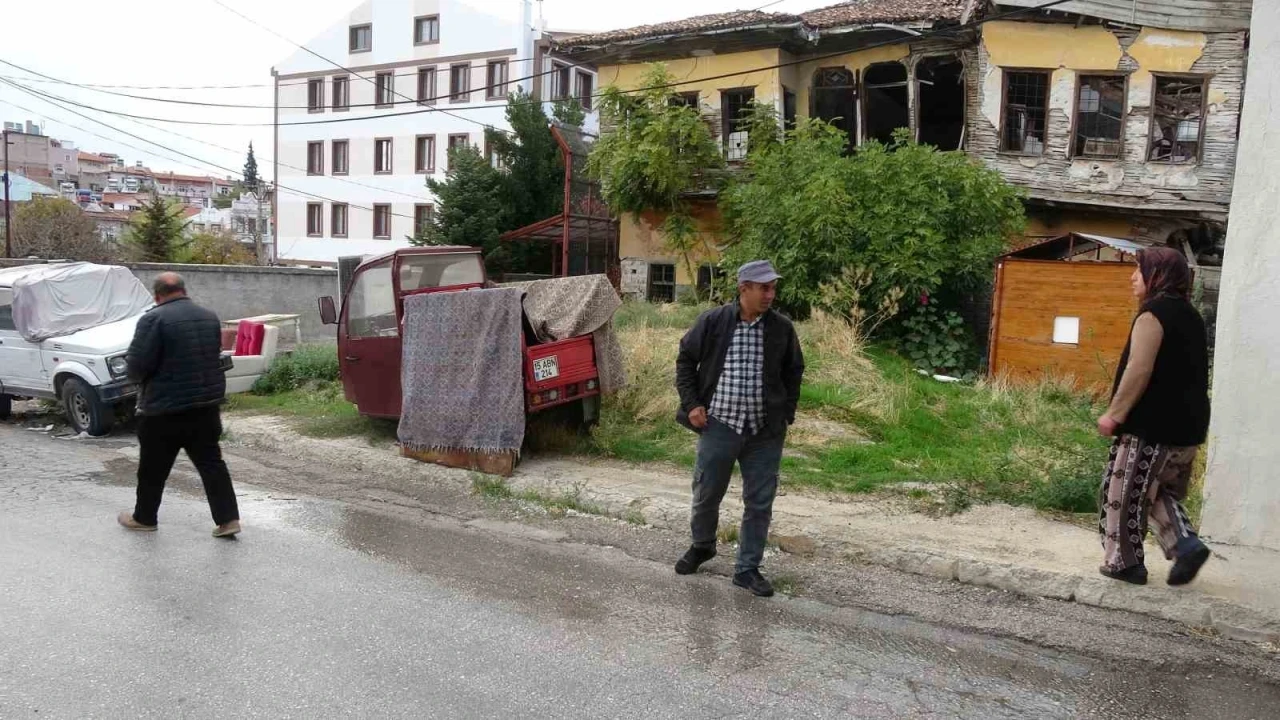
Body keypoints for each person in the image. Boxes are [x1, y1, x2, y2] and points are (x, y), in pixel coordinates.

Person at [673, 260, 805, 597]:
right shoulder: (714, 321)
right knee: (706, 493)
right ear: (743, 288)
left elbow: (794, 370)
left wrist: (785, 413)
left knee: (759, 501)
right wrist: (692, 404)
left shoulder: (781, 328)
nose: (770, 295)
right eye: (764, 288)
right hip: (719, 424)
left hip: (764, 431)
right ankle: (702, 545)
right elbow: (686, 360)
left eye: (773, 288)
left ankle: (747, 569)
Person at [1096, 247, 1210, 586]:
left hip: (1151, 426)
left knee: (1121, 492)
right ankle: (1186, 545)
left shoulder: (1153, 314)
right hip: (1187, 427)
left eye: (1139, 270)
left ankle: (1124, 563)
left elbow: (1139, 368)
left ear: (1157, 275)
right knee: (1156, 491)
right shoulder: (1191, 316)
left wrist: (1114, 414)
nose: (1133, 277)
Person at [117, 272, 241, 538]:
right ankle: (228, 520)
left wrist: (135, 376)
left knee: (152, 468)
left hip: (164, 410)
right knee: (212, 464)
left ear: (157, 295)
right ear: (184, 291)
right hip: (205, 407)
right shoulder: (209, 317)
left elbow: (137, 366)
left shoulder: (153, 319)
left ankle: (144, 518)